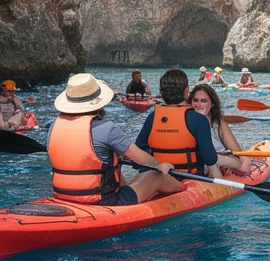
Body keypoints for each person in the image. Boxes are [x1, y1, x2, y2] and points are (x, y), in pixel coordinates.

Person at [49, 74, 183, 206]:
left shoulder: (53, 126)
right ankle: (185, 190)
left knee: (139, 176)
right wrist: (161, 165)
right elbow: (144, 160)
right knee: (156, 175)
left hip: (63, 196)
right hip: (103, 201)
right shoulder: (107, 128)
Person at [135, 68, 223, 178]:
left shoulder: (152, 117)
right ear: (186, 91)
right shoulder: (199, 119)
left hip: (159, 176)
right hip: (190, 179)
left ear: (162, 93)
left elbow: (138, 150)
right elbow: (210, 160)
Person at [187, 83, 254, 175]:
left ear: (212, 104)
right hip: (200, 162)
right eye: (195, 100)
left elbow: (237, 152)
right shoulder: (186, 122)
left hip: (223, 159)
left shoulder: (218, 124)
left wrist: (245, 160)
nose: (198, 105)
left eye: (203, 101)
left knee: (212, 161)